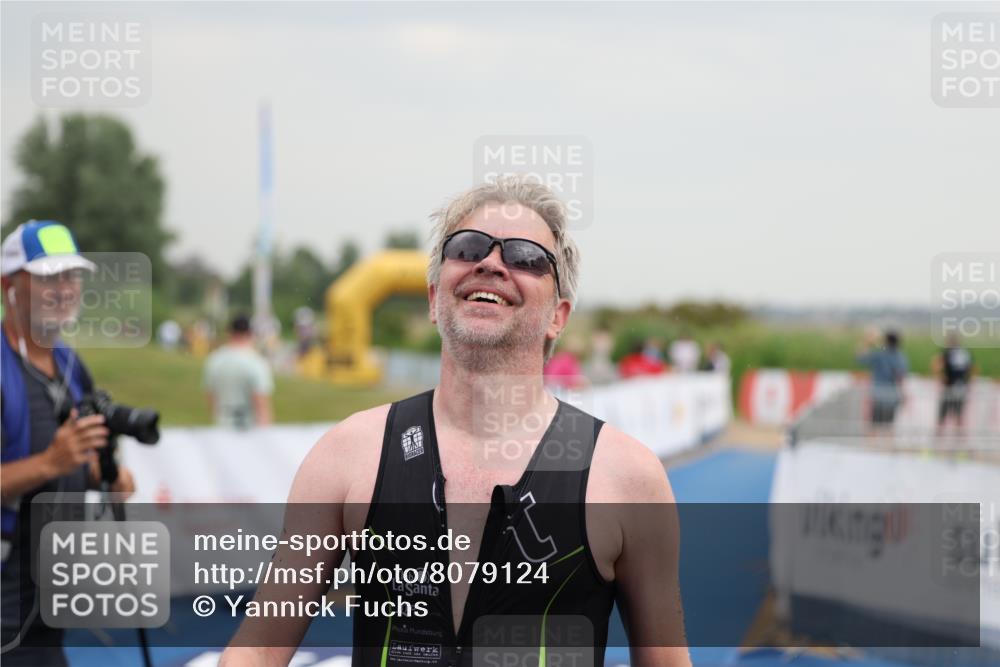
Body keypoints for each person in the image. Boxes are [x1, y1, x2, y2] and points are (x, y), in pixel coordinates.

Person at [221, 176, 691, 666]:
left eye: (526, 256)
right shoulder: (346, 457)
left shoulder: (628, 479)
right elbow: (256, 650)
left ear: (559, 315)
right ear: (432, 297)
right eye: (467, 248)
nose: (490, 263)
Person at [0, 221, 136, 666]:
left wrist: (104, 473)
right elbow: (52, 458)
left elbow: (78, 457)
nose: (64, 289)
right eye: (47, 277)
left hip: (50, 605)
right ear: (9, 286)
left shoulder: (70, 364)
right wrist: (51, 462)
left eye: (71, 276)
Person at [203, 314, 274, 428]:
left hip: (223, 427)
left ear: (230, 331)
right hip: (249, 429)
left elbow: (211, 396)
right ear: (250, 333)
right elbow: (261, 404)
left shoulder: (215, 360)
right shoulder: (256, 363)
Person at [856, 328, 909, 434]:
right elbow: (901, 378)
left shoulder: (880, 355)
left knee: (874, 426)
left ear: (886, 341)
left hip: (878, 394)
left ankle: (871, 448)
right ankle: (886, 448)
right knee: (889, 426)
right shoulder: (901, 357)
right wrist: (904, 394)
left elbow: (860, 358)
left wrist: (867, 342)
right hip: (892, 395)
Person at [933, 333, 975, 436]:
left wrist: (940, 377)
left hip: (949, 388)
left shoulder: (948, 352)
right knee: (959, 416)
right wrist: (968, 382)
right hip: (961, 388)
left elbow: (936, 365)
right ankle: (961, 443)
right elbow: (972, 368)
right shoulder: (965, 353)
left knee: (942, 417)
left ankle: (938, 441)